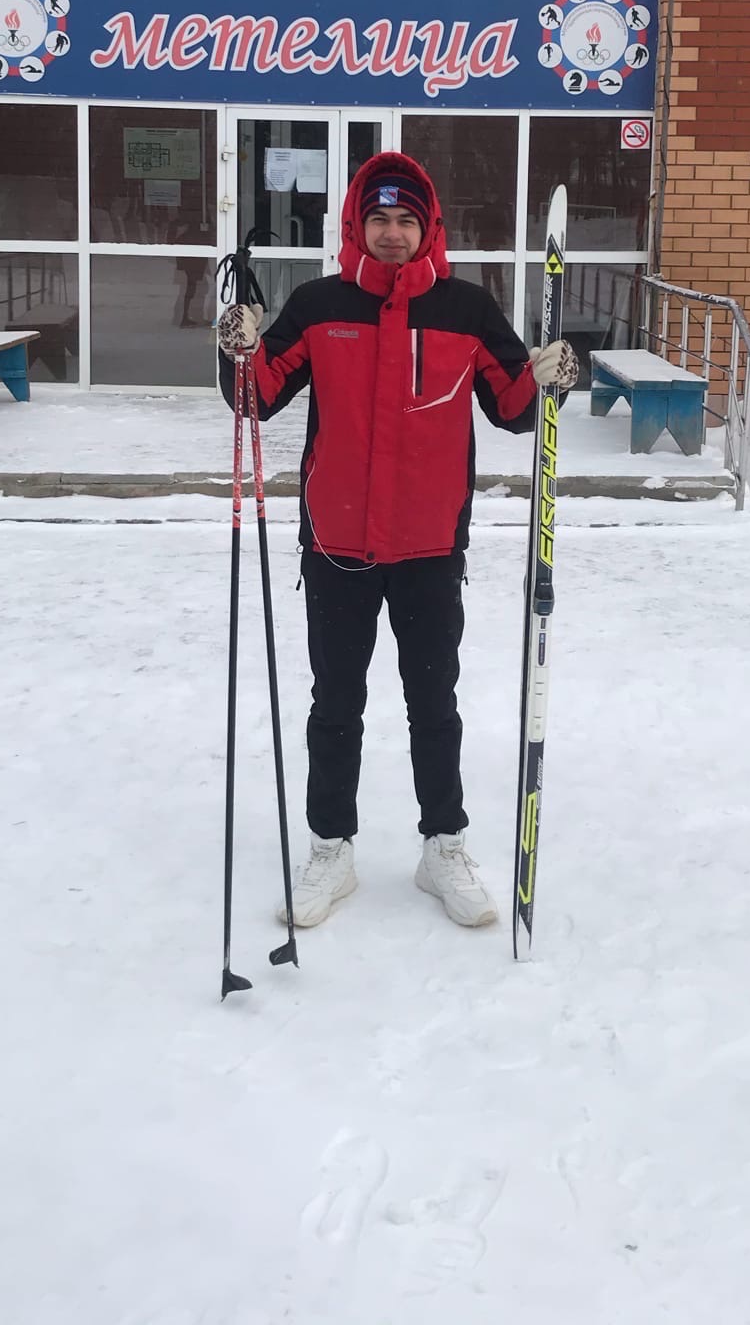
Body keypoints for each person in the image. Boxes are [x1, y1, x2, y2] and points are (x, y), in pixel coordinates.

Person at [217, 152, 577, 931]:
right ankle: (331, 851)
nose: (391, 232)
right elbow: (259, 397)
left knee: (434, 705)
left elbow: (514, 405)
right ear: (356, 224)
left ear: (428, 227)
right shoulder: (319, 304)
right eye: (377, 218)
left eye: (406, 220)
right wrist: (237, 348)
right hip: (337, 547)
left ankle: (442, 847)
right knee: (335, 705)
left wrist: (550, 375)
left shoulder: (466, 310)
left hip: (429, 550)